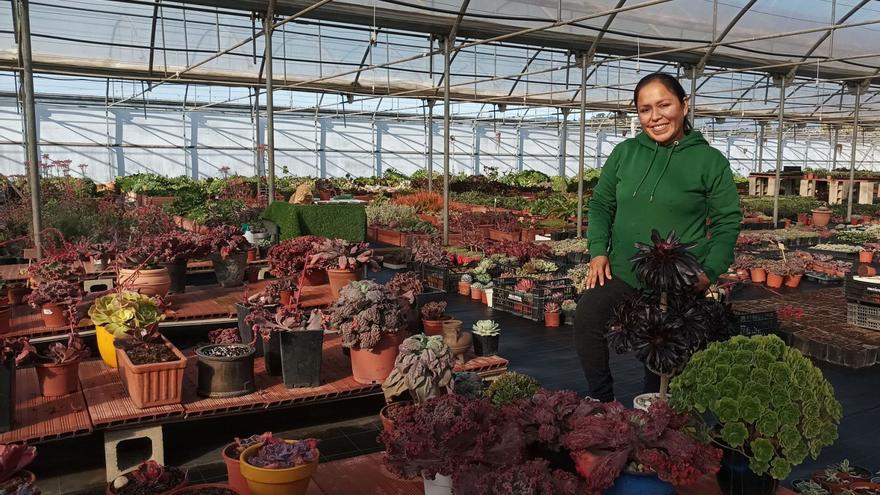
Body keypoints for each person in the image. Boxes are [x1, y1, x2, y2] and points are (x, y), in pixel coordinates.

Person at [573, 73, 742, 402]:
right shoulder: (625, 153)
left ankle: (654, 419)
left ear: (684, 105)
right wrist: (598, 251)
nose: (655, 116)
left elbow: (727, 220)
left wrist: (710, 271)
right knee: (587, 318)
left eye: (664, 105)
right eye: (645, 109)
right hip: (622, 271)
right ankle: (601, 401)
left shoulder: (709, 161)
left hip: (677, 281)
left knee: (662, 358)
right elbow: (601, 205)